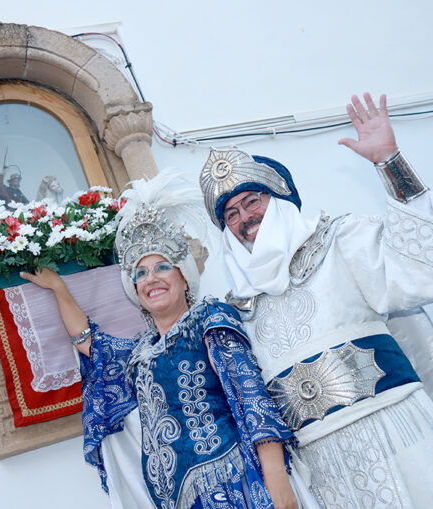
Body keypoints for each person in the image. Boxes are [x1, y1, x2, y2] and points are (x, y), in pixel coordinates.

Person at [198, 93, 433, 508]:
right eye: (230, 214)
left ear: (281, 201)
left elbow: (418, 261)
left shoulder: (341, 241)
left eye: (252, 200)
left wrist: (390, 161)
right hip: (325, 466)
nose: (244, 218)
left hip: (398, 430)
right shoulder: (237, 310)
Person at [21, 171, 302, 509]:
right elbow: (88, 343)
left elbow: (251, 398)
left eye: (162, 268)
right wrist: (59, 290)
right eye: (140, 273)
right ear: (136, 291)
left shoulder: (209, 317)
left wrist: (278, 484)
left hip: (235, 485)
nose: (150, 278)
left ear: (185, 278)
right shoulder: (139, 351)